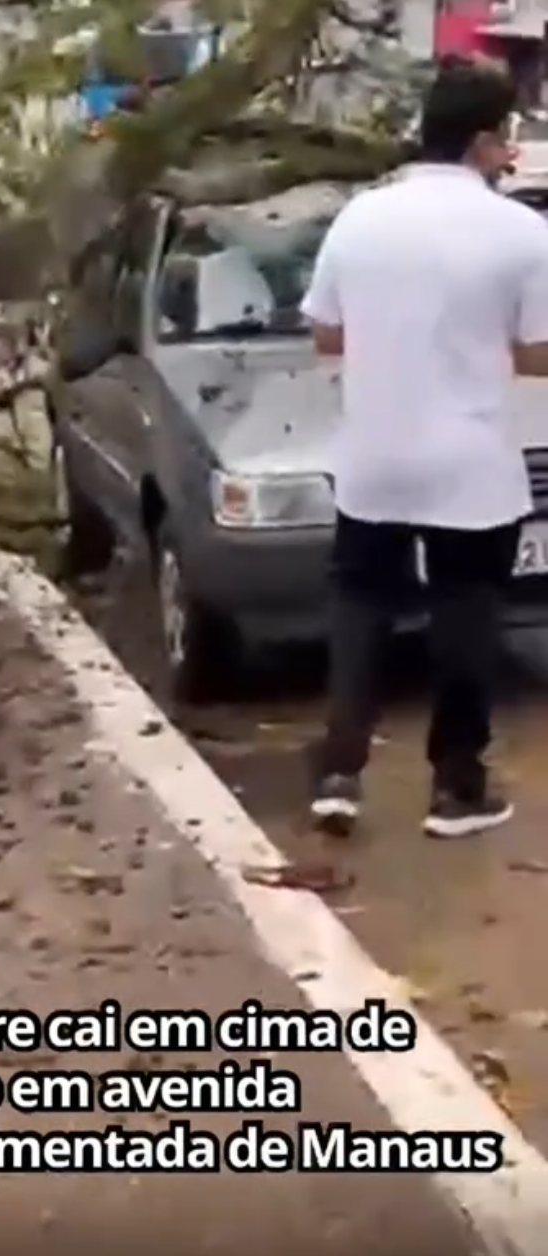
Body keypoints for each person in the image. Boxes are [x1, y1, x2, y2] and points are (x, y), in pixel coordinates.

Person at [300, 55, 548, 840]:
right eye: (506, 137)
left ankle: (339, 775)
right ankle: (456, 789)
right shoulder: (520, 231)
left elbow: (327, 334)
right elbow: (537, 352)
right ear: (483, 141)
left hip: (374, 455)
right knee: (466, 617)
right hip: (470, 466)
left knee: (360, 605)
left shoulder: (361, 217)